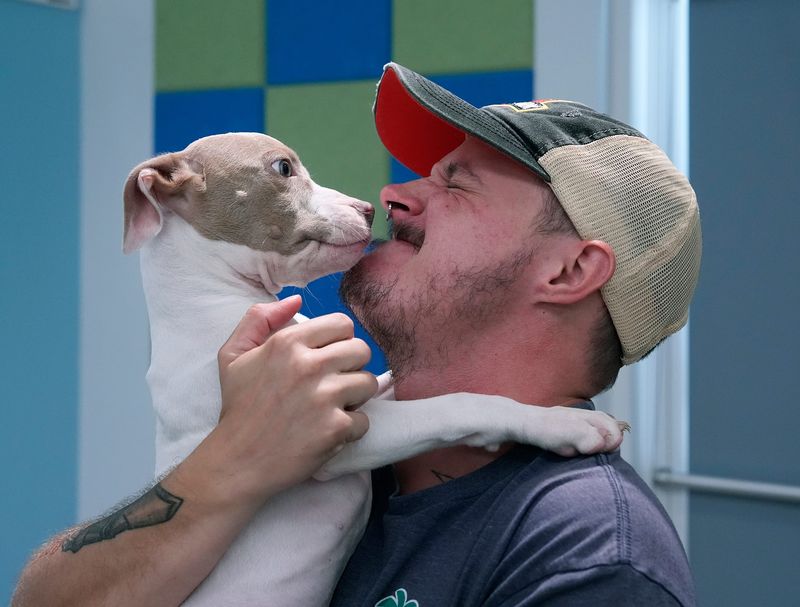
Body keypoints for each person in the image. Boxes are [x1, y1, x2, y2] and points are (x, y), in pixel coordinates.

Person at [12, 63, 699, 606]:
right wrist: (231, 463)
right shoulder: (335, 441)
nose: (393, 196)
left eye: (455, 186)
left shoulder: (588, 551)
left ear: (571, 268)